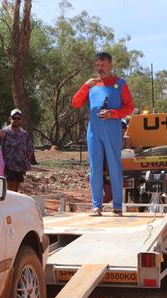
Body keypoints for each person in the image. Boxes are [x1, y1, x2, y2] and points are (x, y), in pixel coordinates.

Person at [72, 51, 134, 217]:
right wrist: (85, 85)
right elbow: (76, 103)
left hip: (112, 130)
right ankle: (96, 206)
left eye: (103, 65)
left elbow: (129, 108)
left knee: (114, 166)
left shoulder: (120, 84)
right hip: (94, 131)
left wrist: (113, 113)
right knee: (95, 168)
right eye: (97, 65)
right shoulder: (92, 86)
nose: (99, 69)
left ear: (110, 65)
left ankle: (117, 207)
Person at [1, 108, 34, 192]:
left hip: (20, 167)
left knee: (16, 188)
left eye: (18, 118)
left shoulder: (24, 134)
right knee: (9, 189)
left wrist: (26, 160)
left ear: (21, 119)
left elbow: (30, 149)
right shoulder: (4, 132)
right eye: (14, 118)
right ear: (10, 118)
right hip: (8, 166)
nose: (16, 120)